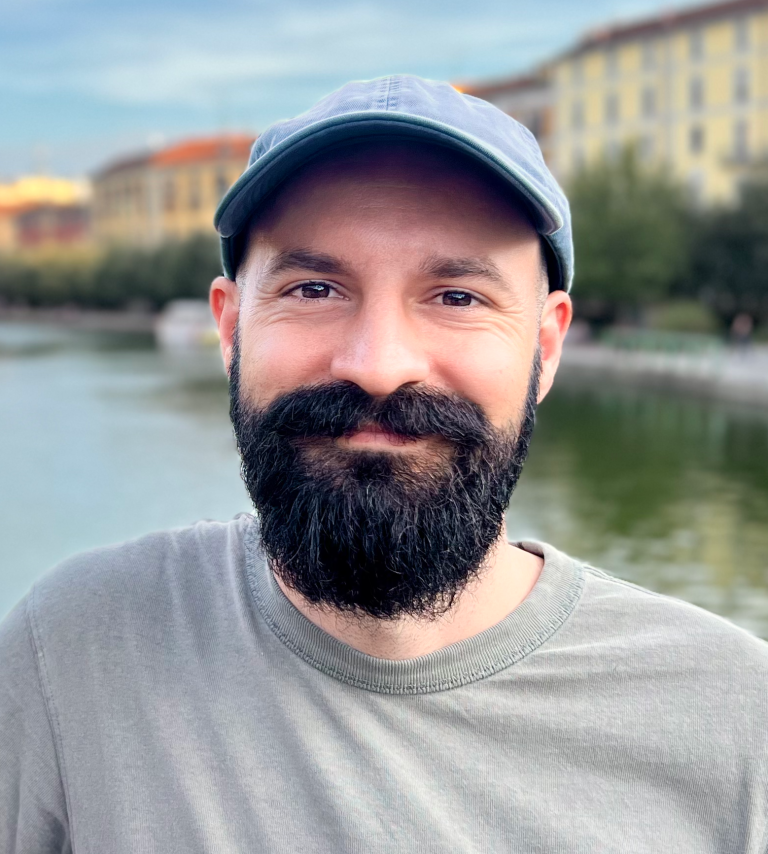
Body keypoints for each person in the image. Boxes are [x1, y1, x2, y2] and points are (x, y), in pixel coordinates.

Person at [1, 75, 767, 854]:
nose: (378, 365)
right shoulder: (68, 654)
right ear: (230, 331)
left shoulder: (738, 723)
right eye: (315, 287)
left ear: (545, 347)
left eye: (458, 297)